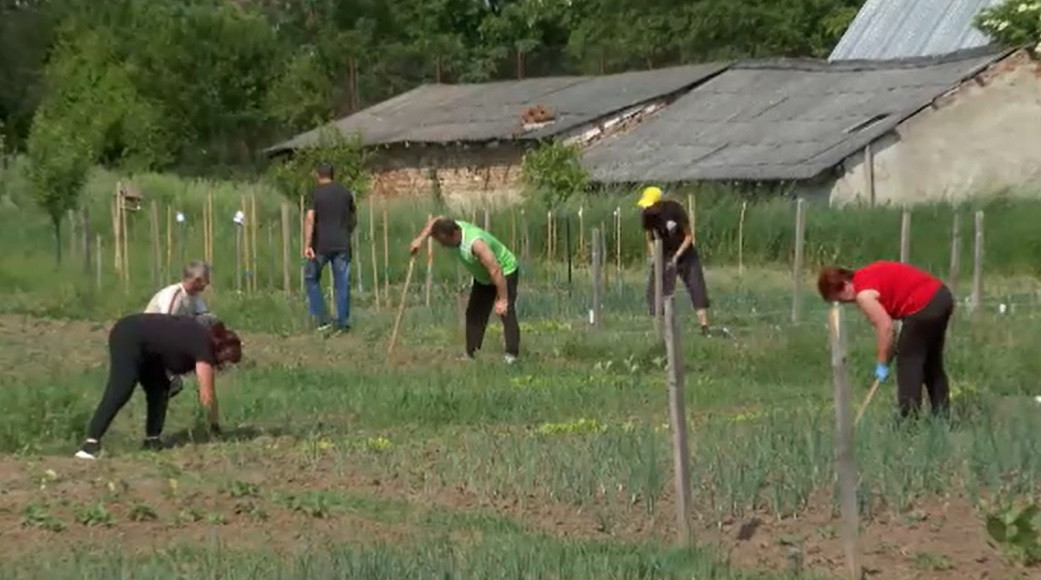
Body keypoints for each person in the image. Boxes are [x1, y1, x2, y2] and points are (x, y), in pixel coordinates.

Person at [75, 313, 242, 460]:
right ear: (221, 350)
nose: (223, 366)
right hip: (129, 335)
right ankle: (90, 445)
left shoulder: (203, 337)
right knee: (121, 389)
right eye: (226, 361)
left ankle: (152, 440)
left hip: (149, 348)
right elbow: (207, 394)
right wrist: (214, 427)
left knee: (160, 388)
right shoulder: (205, 346)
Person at [817, 261, 954, 419]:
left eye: (840, 299)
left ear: (844, 286)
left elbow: (886, 327)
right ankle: (943, 417)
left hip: (923, 304)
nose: (846, 303)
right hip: (941, 297)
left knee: (908, 360)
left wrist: (882, 363)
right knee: (931, 363)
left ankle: (908, 420)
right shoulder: (865, 274)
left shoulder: (863, 295)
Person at [409, 217, 520, 364]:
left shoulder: (476, 244)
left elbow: (495, 270)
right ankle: (472, 353)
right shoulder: (450, 226)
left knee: (506, 311)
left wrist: (503, 299)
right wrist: (420, 240)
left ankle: (512, 356)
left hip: (504, 271)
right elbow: (433, 223)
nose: (442, 246)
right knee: (474, 313)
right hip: (484, 276)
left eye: (444, 242)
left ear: (454, 235)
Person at [637, 186, 714, 336]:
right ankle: (662, 328)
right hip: (664, 254)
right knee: (656, 290)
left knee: (696, 286)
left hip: (686, 254)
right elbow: (649, 238)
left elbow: (689, 236)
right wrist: (655, 257)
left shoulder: (675, 210)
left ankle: (705, 328)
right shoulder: (647, 216)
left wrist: (677, 256)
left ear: (658, 203)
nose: (647, 208)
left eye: (650, 205)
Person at [144, 260, 216, 398]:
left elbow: (205, 317)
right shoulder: (174, 295)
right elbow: (164, 324)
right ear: (196, 280)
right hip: (153, 335)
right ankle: (168, 376)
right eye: (204, 280)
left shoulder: (194, 297)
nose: (206, 284)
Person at [304, 163, 357, 333]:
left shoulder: (316, 193)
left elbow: (310, 217)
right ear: (333, 175)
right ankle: (343, 324)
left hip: (320, 245)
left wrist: (307, 245)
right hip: (342, 244)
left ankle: (322, 319)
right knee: (342, 283)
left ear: (318, 175)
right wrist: (346, 232)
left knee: (311, 278)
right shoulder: (345, 192)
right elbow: (353, 219)